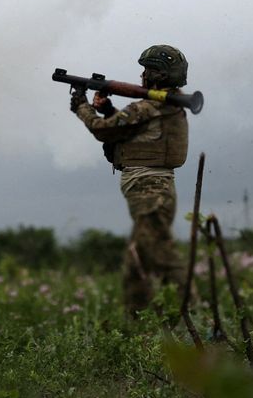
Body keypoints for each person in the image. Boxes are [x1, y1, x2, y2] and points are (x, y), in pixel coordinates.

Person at [70, 45, 190, 313]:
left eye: (147, 70)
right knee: (136, 262)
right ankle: (139, 323)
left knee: (161, 254)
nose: (142, 75)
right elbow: (131, 133)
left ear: (158, 75)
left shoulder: (149, 107)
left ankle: (193, 314)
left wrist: (82, 107)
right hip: (153, 188)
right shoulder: (170, 106)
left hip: (149, 190)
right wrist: (110, 109)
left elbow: (102, 131)